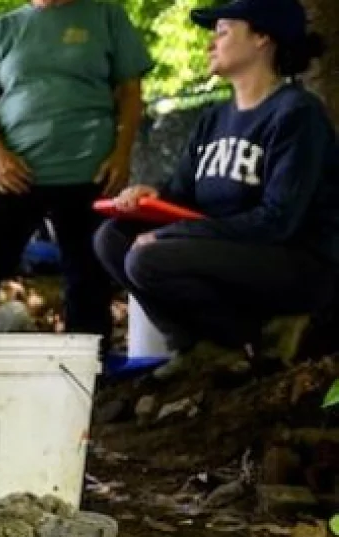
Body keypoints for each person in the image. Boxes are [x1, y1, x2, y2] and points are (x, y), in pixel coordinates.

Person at [94, 0, 337, 380]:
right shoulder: (213, 119)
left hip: (296, 261)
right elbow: (181, 193)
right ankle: (199, 347)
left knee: (148, 258)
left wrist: (169, 235)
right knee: (112, 239)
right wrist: (149, 197)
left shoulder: (297, 113)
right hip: (226, 254)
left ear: (261, 37)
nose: (211, 43)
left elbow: (278, 221)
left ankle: (249, 338)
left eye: (222, 31)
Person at [0, 0, 155, 345]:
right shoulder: (0, 29)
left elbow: (131, 93)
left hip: (89, 170)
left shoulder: (106, 16)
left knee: (88, 273)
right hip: (12, 171)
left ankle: (90, 368)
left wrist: (121, 153)